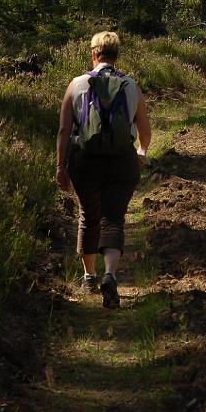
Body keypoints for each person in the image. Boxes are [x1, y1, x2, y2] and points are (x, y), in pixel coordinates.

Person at [56, 31, 151, 308]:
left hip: (85, 161)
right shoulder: (131, 86)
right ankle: (110, 274)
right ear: (116, 55)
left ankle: (89, 276)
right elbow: (144, 129)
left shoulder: (77, 84)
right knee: (114, 217)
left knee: (89, 215)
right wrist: (141, 155)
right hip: (122, 160)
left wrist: (60, 166)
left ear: (94, 53)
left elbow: (64, 129)